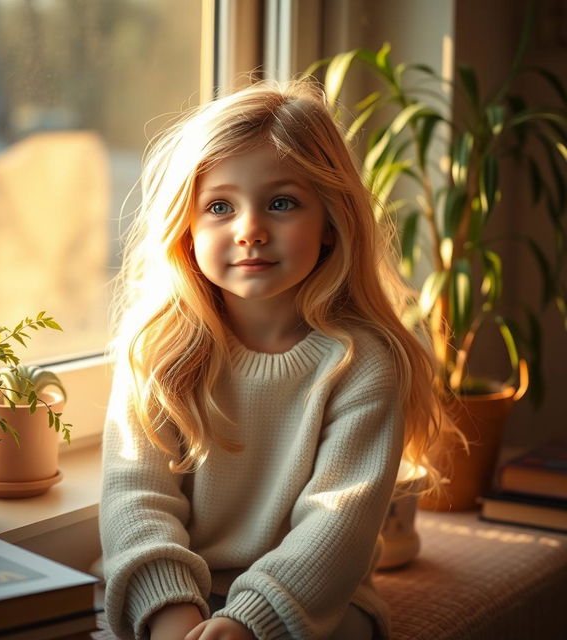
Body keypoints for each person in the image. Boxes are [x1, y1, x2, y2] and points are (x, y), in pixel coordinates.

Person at [99, 79, 448, 640]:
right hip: (179, 599)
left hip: (314, 608)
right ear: (186, 231)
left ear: (331, 224)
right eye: (219, 206)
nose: (250, 231)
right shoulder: (156, 351)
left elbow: (338, 524)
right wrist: (172, 616)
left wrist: (244, 624)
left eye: (281, 203)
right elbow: (134, 499)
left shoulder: (363, 363)